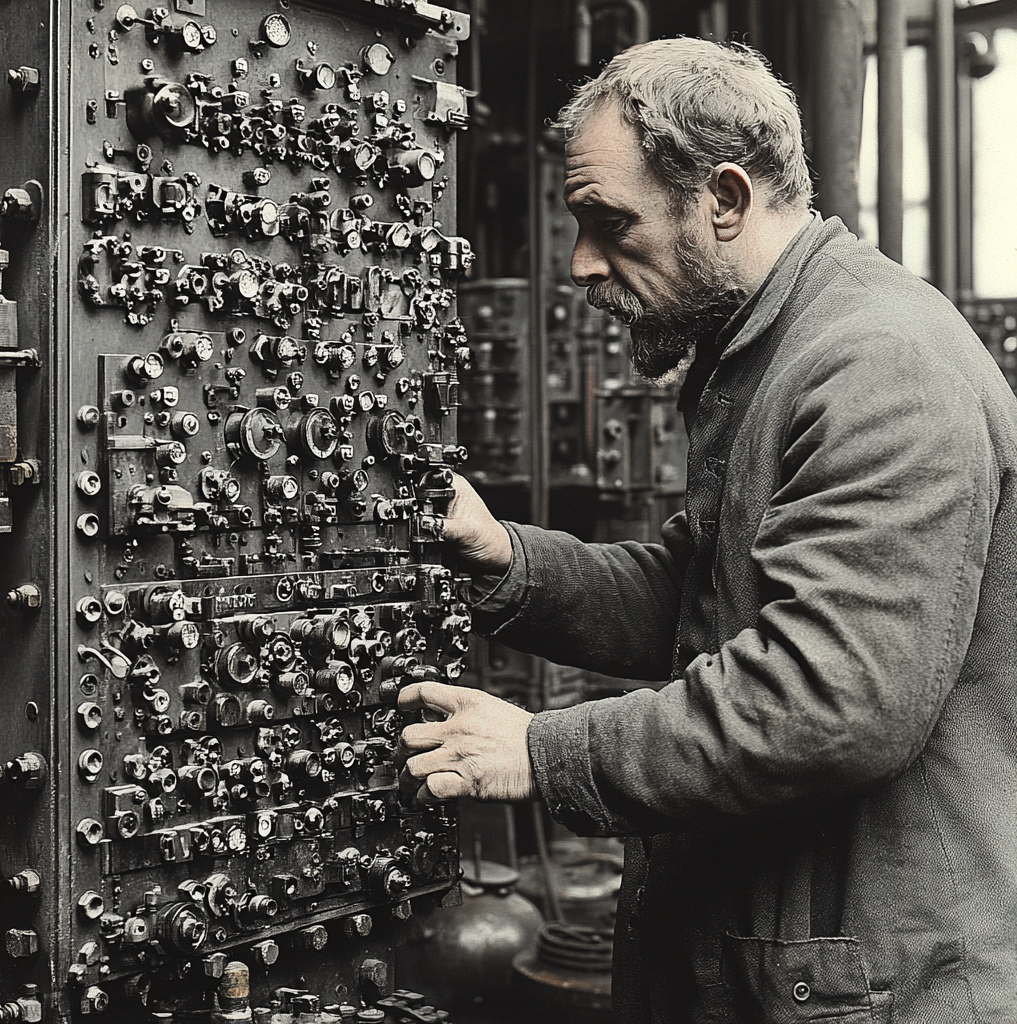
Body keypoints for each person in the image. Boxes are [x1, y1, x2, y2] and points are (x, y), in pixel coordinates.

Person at [398, 37, 1017, 1024]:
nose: (582, 265)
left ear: (723, 198)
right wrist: (505, 559)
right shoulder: (772, 348)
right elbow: (699, 595)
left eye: (609, 224)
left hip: (873, 988)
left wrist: (543, 748)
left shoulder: (876, 366)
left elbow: (824, 700)